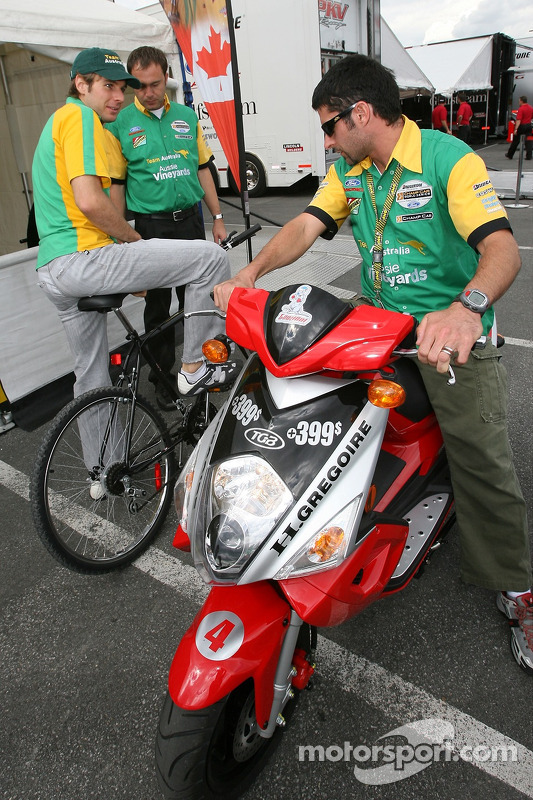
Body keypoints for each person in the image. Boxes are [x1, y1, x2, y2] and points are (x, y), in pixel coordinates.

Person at [213, 54, 533, 675]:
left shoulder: (447, 159)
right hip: (373, 326)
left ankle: (519, 588)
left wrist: (466, 309)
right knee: (303, 407)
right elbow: (307, 226)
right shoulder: (352, 169)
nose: (327, 140)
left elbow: (500, 249)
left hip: (445, 335)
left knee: (484, 463)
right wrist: (251, 274)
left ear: (360, 114)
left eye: (330, 127)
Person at [32, 47, 239, 409]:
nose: (117, 97)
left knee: (91, 379)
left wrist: (217, 215)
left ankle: (105, 465)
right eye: (108, 86)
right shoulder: (81, 118)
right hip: (85, 256)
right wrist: (132, 240)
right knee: (210, 260)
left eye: (120, 89)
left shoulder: (57, 121)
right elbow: (92, 200)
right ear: (80, 84)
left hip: (53, 269)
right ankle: (194, 367)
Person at [106, 46, 227, 411]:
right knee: (157, 309)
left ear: (166, 77)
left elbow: (203, 168)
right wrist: (121, 242)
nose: (148, 92)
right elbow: (116, 184)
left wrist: (218, 217)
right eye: (139, 86)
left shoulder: (188, 117)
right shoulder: (121, 124)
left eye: (155, 84)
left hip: (190, 220)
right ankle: (162, 380)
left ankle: (201, 365)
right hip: (151, 227)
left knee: (198, 298)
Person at [506, 95, 533, 161]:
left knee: (516, 140)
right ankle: (529, 155)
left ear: (521, 101)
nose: (519, 102)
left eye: (519, 101)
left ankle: (510, 154)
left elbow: (518, 120)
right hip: (529, 125)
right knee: (529, 141)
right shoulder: (530, 108)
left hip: (522, 125)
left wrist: (516, 129)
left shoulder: (521, 109)